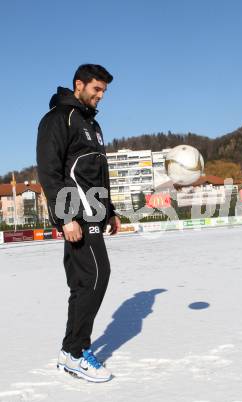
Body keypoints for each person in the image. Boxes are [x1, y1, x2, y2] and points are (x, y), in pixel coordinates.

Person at [37, 64, 121, 381]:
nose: (100, 96)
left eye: (104, 91)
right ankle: (75, 352)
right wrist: (66, 216)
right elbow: (50, 171)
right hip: (76, 214)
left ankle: (70, 351)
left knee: (83, 283)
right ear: (79, 85)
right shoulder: (59, 119)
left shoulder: (92, 125)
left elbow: (96, 172)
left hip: (94, 212)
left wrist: (109, 209)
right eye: (96, 89)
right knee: (97, 276)